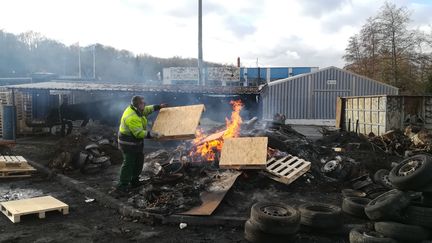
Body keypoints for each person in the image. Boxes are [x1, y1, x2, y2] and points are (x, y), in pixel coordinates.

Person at [111, 95, 167, 196]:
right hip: (128, 144)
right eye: (142, 103)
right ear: (137, 105)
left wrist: (158, 106)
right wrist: (152, 134)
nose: (145, 104)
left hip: (136, 143)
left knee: (139, 162)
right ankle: (122, 186)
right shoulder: (132, 117)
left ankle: (135, 181)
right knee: (129, 164)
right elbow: (139, 133)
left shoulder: (137, 110)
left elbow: (146, 110)